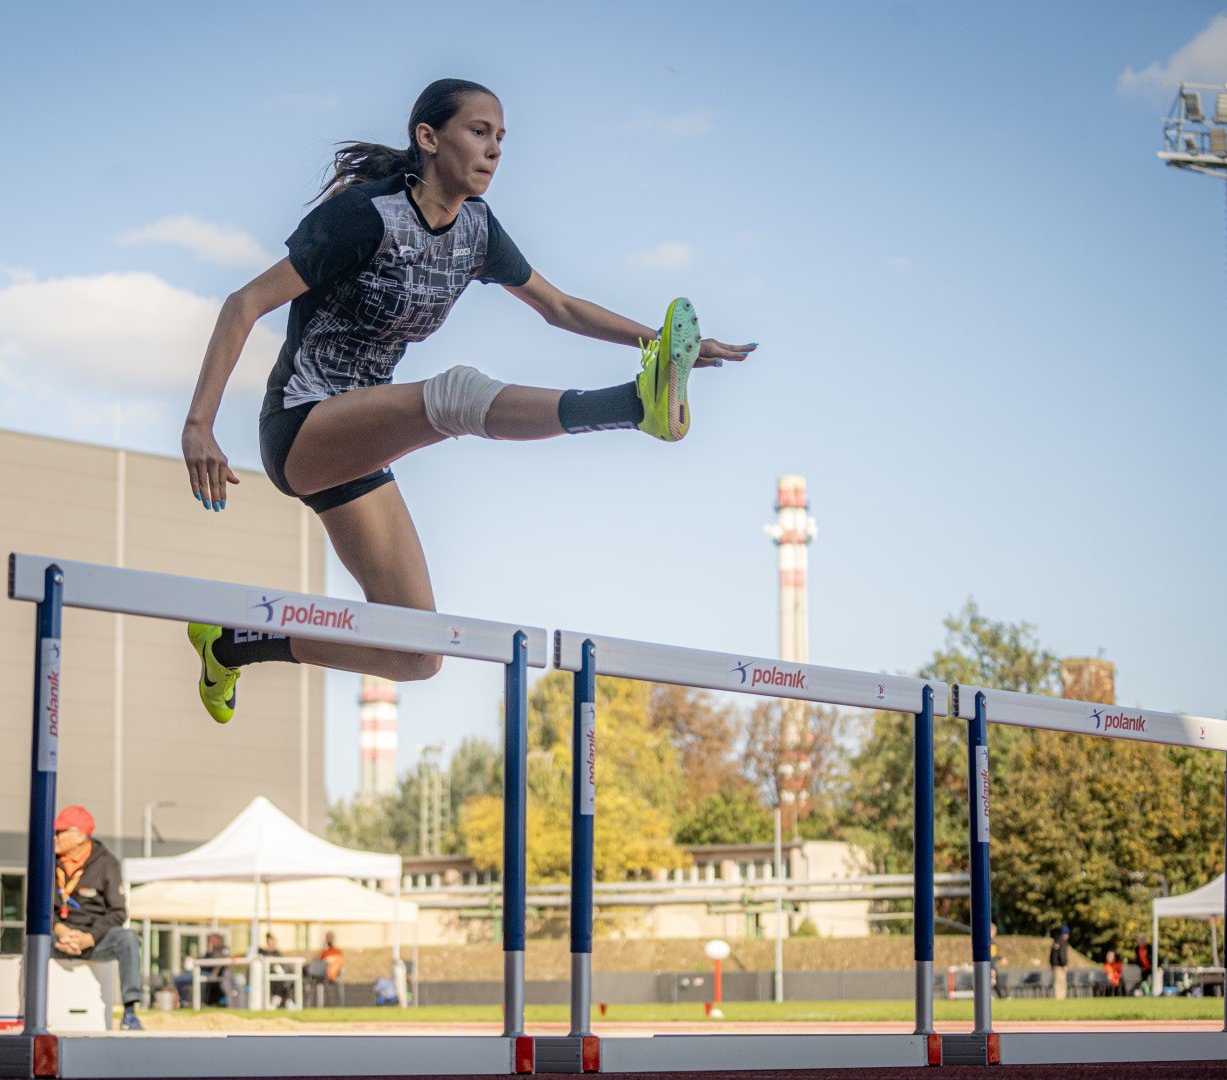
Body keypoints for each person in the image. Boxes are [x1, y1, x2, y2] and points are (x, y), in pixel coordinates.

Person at [179, 77, 756, 724]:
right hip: (302, 424)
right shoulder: (366, 216)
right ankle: (630, 406)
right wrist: (199, 425)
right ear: (428, 138)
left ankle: (232, 645)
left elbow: (559, 306)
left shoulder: (477, 231)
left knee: (416, 653)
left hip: (361, 440)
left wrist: (666, 344)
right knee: (450, 396)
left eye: (502, 138)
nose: (495, 150)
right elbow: (244, 304)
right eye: (479, 132)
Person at [51, 805, 144, 1031]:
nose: (55, 837)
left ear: (81, 836)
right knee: (32, 942)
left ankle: (130, 1013)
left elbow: (118, 912)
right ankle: (29, 1011)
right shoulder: (47, 861)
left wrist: (90, 937)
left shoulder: (107, 863)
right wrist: (60, 930)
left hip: (95, 938)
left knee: (128, 939)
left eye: (61, 832)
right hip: (59, 936)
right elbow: (36, 909)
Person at [258, 931, 294, 1009]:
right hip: (270, 973)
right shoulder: (262, 952)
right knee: (281, 979)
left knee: (286, 978)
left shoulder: (277, 953)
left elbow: (283, 963)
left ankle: (282, 999)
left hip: (281, 976)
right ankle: (285, 999)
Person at [197, 933, 231, 1008]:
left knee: (205, 982)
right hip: (205, 973)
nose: (211, 942)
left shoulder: (223, 950)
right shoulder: (210, 951)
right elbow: (202, 962)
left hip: (218, 975)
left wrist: (214, 974)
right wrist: (208, 952)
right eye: (211, 940)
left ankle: (204, 1002)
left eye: (213, 940)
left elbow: (220, 964)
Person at [1049, 925, 1070, 1001]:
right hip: (1060, 966)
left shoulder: (1056, 941)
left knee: (1057, 982)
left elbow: (1052, 954)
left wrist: (1052, 964)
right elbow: (1062, 954)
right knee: (1062, 982)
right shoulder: (1063, 941)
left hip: (1055, 965)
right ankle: (1061, 997)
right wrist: (1064, 964)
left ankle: (1057, 997)